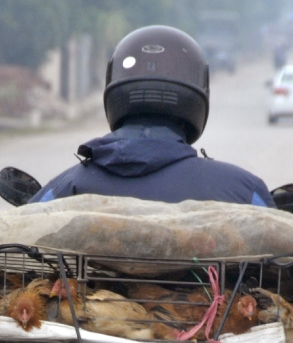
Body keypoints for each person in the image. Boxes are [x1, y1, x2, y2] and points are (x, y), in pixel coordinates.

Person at [29, 26, 275, 208]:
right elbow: (287, 257)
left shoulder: (70, 185)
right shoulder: (241, 190)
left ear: (113, 89)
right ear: (199, 93)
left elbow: (18, 237)